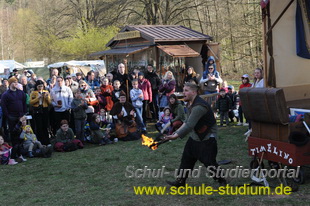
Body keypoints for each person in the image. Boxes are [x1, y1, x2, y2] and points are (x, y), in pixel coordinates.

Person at [165, 82, 226, 187]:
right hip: (195, 136)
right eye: (183, 90)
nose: (183, 93)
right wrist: (176, 132)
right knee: (186, 158)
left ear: (194, 92)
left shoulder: (198, 106)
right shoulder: (190, 103)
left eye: (186, 91)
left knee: (209, 162)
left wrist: (176, 136)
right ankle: (180, 181)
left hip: (207, 136)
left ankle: (221, 180)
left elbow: (189, 125)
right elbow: (187, 121)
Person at [1, 76, 27, 159]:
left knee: (21, 136)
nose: (16, 83)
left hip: (20, 117)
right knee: (14, 136)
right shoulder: (5, 95)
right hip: (12, 117)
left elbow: (24, 104)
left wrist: (23, 115)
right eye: (14, 82)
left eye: (16, 82)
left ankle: (20, 154)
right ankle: (14, 155)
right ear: (10, 83)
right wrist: (8, 116)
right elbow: (4, 106)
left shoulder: (21, 93)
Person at [29, 80, 51, 145]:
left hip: (45, 109)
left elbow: (49, 102)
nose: (40, 88)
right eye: (39, 86)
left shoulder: (46, 92)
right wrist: (37, 98)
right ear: (36, 86)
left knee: (45, 126)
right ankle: (41, 141)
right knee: (39, 126)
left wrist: (46, 98)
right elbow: (31, 102)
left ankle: (47, 141)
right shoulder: (33, 92)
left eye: (41, 86)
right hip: (37, 110)